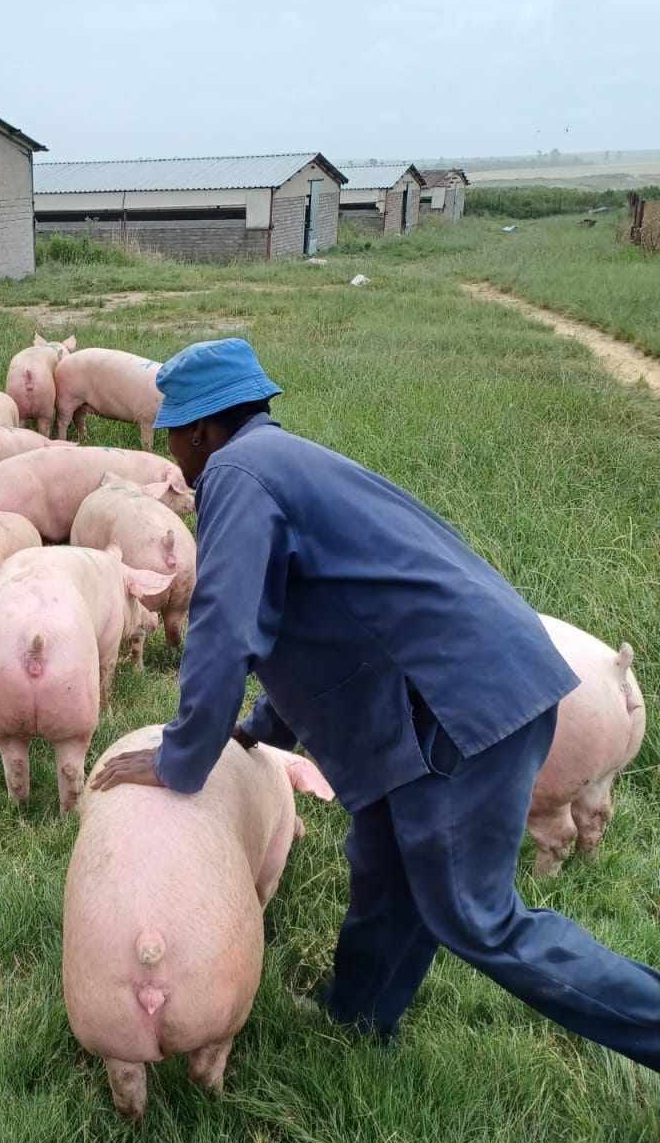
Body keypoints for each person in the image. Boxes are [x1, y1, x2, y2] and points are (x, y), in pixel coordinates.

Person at [92, 337, 660, 1069]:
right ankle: (357, 1020)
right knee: (385, 857)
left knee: (481, 921)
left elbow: (224, 631)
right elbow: (327, 618)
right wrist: (260, 730)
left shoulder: (236, 474)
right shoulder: (280, 462)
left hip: (457, 707)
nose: (172, 450)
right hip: (473, 680)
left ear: (203, 427)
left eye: (174, 431)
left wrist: (180, 759)